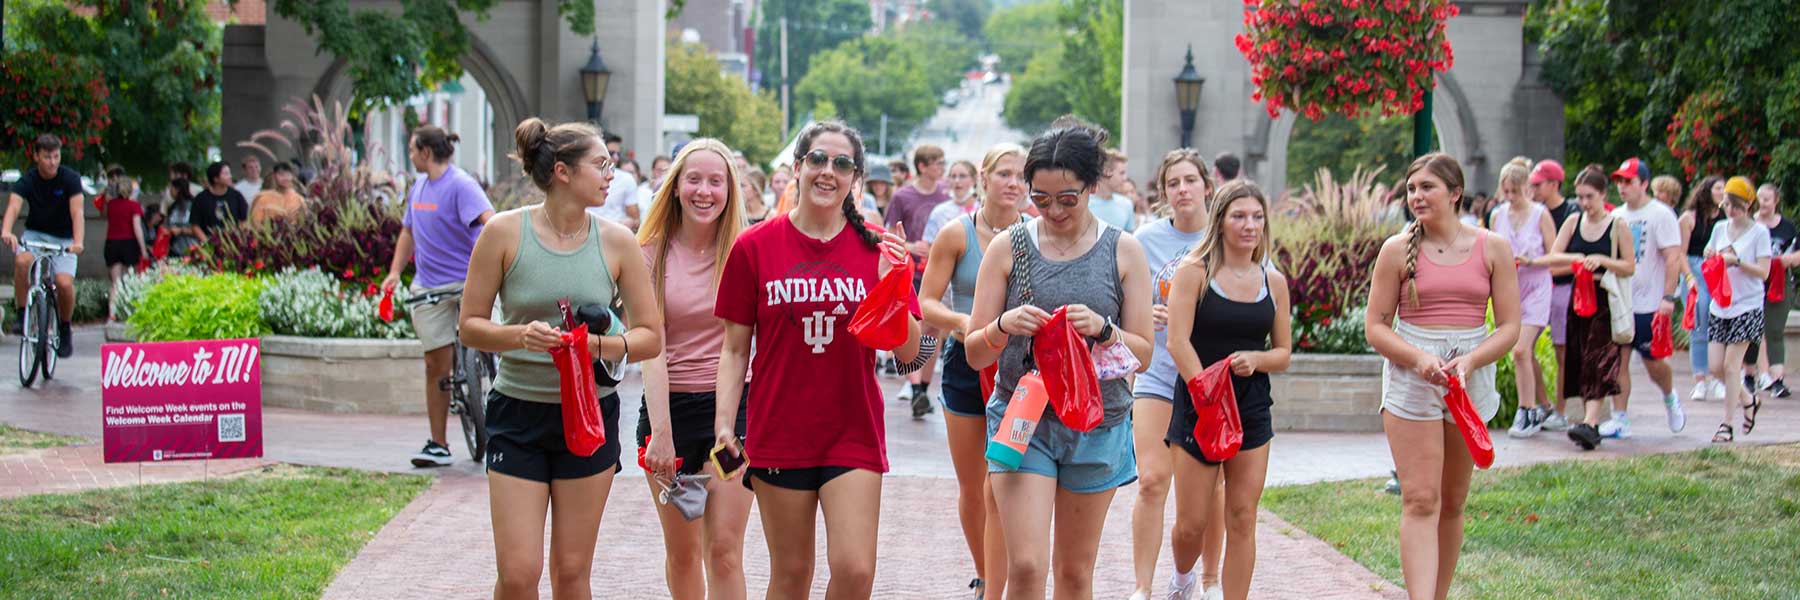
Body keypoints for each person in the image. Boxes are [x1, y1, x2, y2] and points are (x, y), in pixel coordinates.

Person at [713, 121, 922, 599]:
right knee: (791, 575)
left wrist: (892, 285)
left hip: (854, 429)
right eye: (819, 160)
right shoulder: (754, 246)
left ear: (856, 179)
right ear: (797, 168)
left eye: (842, 163)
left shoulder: (879, 248)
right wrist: (726, 423)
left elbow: (912, 357)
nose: (829, 171)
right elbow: (733, 347)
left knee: (855, 571)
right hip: (780, 428)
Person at [460, 118, 662, 599]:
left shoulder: (618, 241)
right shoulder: (505, 233)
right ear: (563, 172)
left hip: (590, 417)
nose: (611, 174)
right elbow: (470, 325)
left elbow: (651, 337)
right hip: (518, 414)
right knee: (518, 573)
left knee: (571, 575)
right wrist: (518, 336)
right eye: (601, 164)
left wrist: (597, 346)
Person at [963, 121, 1154, 598]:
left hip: (1097, 423)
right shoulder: (1011, 247)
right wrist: (1002, 326)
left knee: (1074, 573)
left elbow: (1144, 355)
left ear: (1092, 186)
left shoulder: (1123, 250)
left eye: (1067, 199)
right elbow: (973, 351)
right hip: (1024, 419)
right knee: (1026, 567)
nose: (1054, 211)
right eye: (1041, 199)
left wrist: (1105, 329)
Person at [1364, 153, 1521, 600]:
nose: (1416, 196)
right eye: (1412, 188)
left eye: (1426, 187)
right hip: (1413, 377)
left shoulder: (1492, 247)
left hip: (1466, 374)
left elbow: (1510, 325)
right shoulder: (1396, 250)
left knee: (1452, 502)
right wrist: (1416, 359)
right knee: (1420, 500)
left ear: (1455, 193)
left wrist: (1471, 361)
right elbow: (1375, 325)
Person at [635, 139, 755, 600]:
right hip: (670, 416)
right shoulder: (648, 253)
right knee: (683, 553)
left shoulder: (746, 250)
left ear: (730, 191)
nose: (704, 191)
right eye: (694, 179)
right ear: (676, 187)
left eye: (715, 181)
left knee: (723, 548)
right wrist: (660, 433)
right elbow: (652, 350)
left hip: (733, 417)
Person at [1164, 179, 1293, 600]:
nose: (1249, 225)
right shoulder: (1194, 272)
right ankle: (1182, 579)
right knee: (1192, 524)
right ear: (1220, 221)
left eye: (1257, 217)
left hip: (1252, 405)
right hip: (1200, 402)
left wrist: (1256, 360)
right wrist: (1205, 391)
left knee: (1242, 516)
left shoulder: (1273, 281)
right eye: (1239, 216)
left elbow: (1284, 352)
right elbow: (1177, 341)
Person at [919, 143, 1028, 600]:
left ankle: (1006, 577)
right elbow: (925, 302)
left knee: (1005, 481)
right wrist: (963, 323)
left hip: (1021, 370)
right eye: (1004, 173)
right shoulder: (956, 234)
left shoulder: (1036, 234)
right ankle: (986, 576)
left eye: (1022, 176)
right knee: (972, 484)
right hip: (966, 364)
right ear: (983, 178)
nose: (1013, 183)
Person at [1127, 148, 1224, 600]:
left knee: (1210, 490)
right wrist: (1149, 313)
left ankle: (1206, 580)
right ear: (1163, 192)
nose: (1182, 190)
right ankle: (1142, 587)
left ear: (1207, 185)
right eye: (1173, 183)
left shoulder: (1226, 237)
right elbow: (1122, 303)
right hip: (1159, 373)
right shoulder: (1144, 241)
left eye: (1189, 180)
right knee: (1150, 479)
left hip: (1211, 377)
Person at [380, 125, 497, 467]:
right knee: (436, 366)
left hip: (466, 284)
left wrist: (495, 266)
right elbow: (408, 231)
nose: (411, 156)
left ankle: (498, 404)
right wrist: (393, 272)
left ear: (425, 152)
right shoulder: (419, 186)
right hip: (429, 288)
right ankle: (439, 444)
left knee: (496, 347)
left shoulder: (461, 185)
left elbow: (490, 222)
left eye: (413, 150)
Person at [1541, 165, 1637, 450]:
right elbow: (1555, 256)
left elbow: (1629, 265)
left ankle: (1591, 421)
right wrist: (1579, 257)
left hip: (1605, 297)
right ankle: (1588, 423)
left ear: (1603, 195)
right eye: (1580, 197)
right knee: (1580, 359)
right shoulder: (1573, 222)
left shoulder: (1618, 225)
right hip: (1578, 297)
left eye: (1590, 197)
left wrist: (1602, 260)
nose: (1584, 203)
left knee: (1599, 359)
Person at [1607, 158, 1687, 437]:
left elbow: (1672, 257)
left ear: (1643, 183)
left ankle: (1669, 397)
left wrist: (1668, 297)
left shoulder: (1661, 214)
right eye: (1619, 181)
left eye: (1628, 181)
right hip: (1622, 302)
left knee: (1654, 364)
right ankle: (1620, 418)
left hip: (1650, 303)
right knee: (1618, 360)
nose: (1622, 186)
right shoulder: (1616, 215)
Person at [1488, 158, 1560, 437]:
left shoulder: (1540, 214)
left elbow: (1554, 254)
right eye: (1505, 191)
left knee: (1519, 349)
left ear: (1525, 189)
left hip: (1537, 285)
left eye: (1514, 191)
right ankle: (1544, 405)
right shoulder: (1498, 215)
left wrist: (1530, 260)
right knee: (1525, 352)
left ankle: (1526, 409)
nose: (1510, 198)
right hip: (1511, 287)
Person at [3, 134, 86, 357]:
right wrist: (6, 231)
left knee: (64, 283)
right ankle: (22, 314)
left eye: (56, 156)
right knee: (22, 262)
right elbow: (13, 207)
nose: (52, 162)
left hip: (65, 239)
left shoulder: (70, 178)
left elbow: (77, 212)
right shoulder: (27, 180)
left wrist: (78, 242)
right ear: (37, 156)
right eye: (47, 157)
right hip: (35, 235)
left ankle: (65, 327)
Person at [1704, 177, 1770, 444]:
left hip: (1747, 305)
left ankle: (1726, 424)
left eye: (1737, 206)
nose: (1731, 211)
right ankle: (1747, 398)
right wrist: (1712, 254)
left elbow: (1763, 272)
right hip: (1720, 304)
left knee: (1732, 366)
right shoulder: (1720, 228)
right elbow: (1711, 251)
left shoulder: (1759, 233)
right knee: (1716, 367)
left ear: (1748, 206)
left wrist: (1738, 261)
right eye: (1727, 205)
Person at [888, 144, 951, 416]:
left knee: (932, 329)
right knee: (909, 327)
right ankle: (914, 387)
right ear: (922, 166)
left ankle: (922, 387)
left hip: (937, 271)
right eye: (937, 162)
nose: (941, 167)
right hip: (910, 269)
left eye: (942, 162)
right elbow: (890, 233)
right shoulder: (903, 196)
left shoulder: (946, 195)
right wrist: (911, 247)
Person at [1530, 159, 1579, 430]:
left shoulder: (1571, 213)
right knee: (1523, 347)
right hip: (1536, 286)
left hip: (1561, 286)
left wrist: (1541, 263)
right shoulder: (1533, 212)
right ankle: (1543, 404)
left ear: (1553, 184)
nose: (1533, 189)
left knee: (1562, 349)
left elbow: (1565, 258)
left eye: (1538, 184)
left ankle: (1560, 410)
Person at [1678, 175, 1727, 403]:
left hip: (1718, 270)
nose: (1723, 192)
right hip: (1695, 271)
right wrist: (1688, 278)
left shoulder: (1726, 218)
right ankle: (1700, 379)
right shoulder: (1689, 219)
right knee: (1698, 324)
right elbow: (1680, 253)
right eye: (1719, 188)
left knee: (1718, 323)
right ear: (1707, 191)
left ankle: (1718, 379)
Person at [1746, 183, 1797, 398]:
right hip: (1753, 281)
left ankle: (1777, 380)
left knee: (1774, 330)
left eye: (1767, 199)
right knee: (1752, 331)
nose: (1763, 203)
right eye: (1760, 198)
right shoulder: (1750, 224)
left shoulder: (1787, 226)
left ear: (1776, 201)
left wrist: (1789, 260)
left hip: (1778, 282)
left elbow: (1797, 253)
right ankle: (1749, 375)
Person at [101, 175, 147, 319]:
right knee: (131, 280)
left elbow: (103, 213)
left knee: (116, 282)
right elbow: (137, 228)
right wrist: (143, 249)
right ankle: (131, 311)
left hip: (112, 244)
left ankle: (112, 312)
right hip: (129, 243)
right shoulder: (134, 206)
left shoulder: (111, 205)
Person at [588, 132, 641, 230]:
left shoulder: (626, 179)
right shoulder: (585, 177)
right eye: (611, 153)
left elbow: (636, 219)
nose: (616, 157)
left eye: (618, 154)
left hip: (615, 234)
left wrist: (629, 223)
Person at [923, 159, 979, 245]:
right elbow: (927, 246)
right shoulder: (939, 212)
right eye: (953, 176)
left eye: (962, 176)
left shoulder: (983, 210)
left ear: (974, 180)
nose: (957, 181)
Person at [192, 161, 250, 238]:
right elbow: (195, 225)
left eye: (229, 173)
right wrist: (207, 243)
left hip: (234, 241)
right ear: (216, 179)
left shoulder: (236, 196)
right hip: (210, 241)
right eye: (226, 174)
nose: (230, 176)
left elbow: (244, 220)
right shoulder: (201, 199)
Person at [1090, 149, 1138, 232]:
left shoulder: (1126, 204)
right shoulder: (1084, 204)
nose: (1125, 178)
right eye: (1121, 173)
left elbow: (1130, 240)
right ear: (1106, 172)